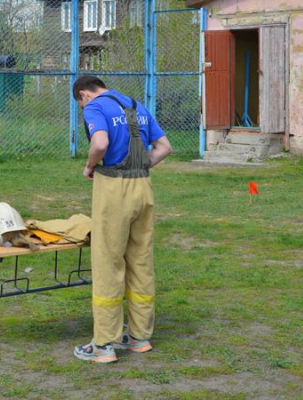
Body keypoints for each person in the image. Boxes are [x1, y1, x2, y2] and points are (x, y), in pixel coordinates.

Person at [72, 76, 172, 363]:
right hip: (143, 187)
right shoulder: (136, 105)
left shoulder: (94, 107)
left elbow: (100, 142)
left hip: (114, 188)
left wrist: (90, 166)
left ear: (84, 95)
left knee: (108, 261)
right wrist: (141, 165)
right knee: (140, 260)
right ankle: (139, 337)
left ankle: (103, 345)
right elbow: (164, 147)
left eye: (80, 103)